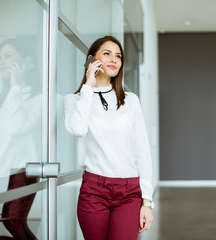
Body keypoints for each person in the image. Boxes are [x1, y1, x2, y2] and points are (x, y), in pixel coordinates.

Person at [64, 36, 154, 240]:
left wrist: (147, 201)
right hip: (94, 190)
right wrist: (89, 85)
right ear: (91, 60)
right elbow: (77, 129)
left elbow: (142, 151)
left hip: (129, 191)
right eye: (107, 53)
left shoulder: (131, 101)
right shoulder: (75, 100)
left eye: (118, 56)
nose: (114, 59)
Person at [0, 38, 41, 240]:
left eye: (8, 56)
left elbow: (16, 128)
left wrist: (16, 85)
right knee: (10, 221)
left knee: (13, 220)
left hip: (21, 172)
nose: (1, 62)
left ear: (26, 62)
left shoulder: (39, 99)